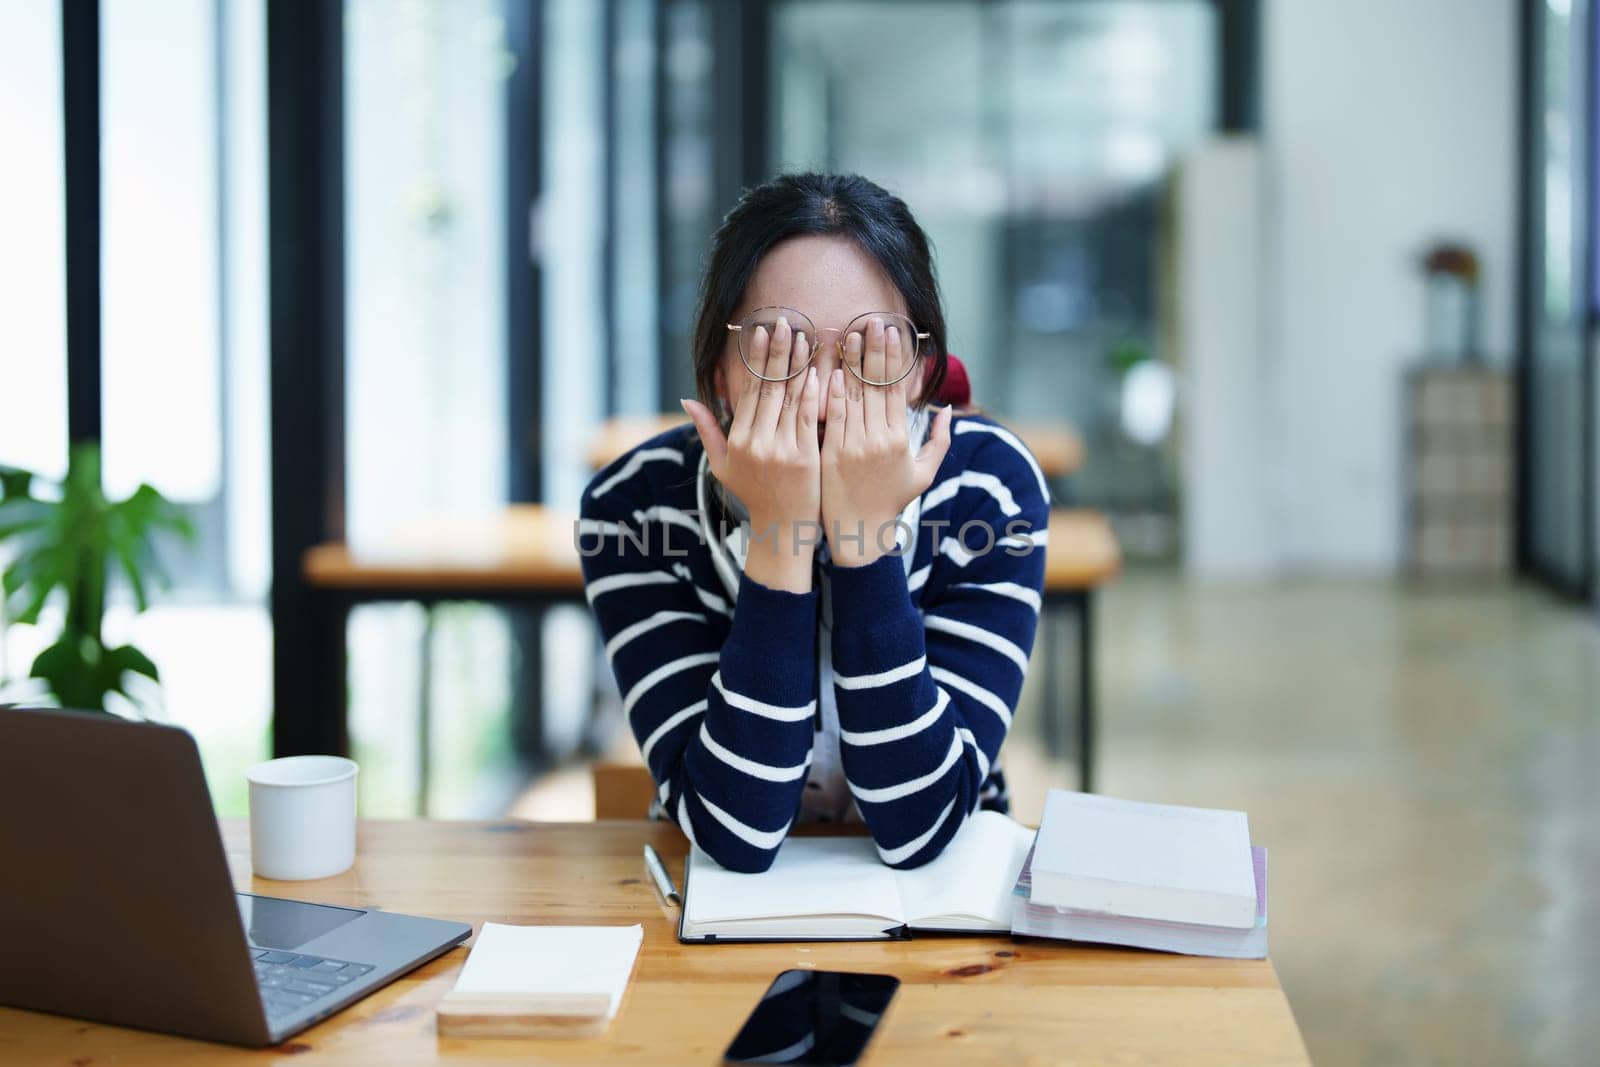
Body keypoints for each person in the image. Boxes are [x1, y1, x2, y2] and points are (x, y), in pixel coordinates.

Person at [578, 173, 1049, 872]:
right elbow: (736, 833)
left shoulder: (992, 490)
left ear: (921, 368)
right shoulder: (635, 507)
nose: (826, 396)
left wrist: (863, 538)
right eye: (780, 351)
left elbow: (920, 827)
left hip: (948, 906)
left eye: (868, 355)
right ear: (718, 370)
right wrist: (779, 533)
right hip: (708, 905)